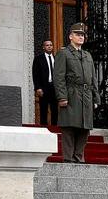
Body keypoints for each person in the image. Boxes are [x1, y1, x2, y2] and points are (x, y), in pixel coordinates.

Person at [53, 22, 98, 163]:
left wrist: (96, 98)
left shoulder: (87, 55)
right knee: (69, 127)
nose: (81, 37)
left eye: (83, 35)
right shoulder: (63, 53)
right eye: (78, 34)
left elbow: (93, 78)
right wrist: (62, 97)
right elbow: (59, 77)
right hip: (71, 93)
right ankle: (68, 158)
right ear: (70, 36)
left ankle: (79, 157)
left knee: (85, 128)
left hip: (86, 95)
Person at [32, 39, 59, 126]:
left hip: (54, 87)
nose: (49, 46)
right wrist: (37, 87)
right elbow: (35, 74)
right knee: (43, 109)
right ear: (44, 47)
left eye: (51, 45)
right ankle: (43, 128)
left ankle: (55, 128)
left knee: (55, 109)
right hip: (43, 87)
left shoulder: (57, 59)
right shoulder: (38, 59)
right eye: (47, 45)